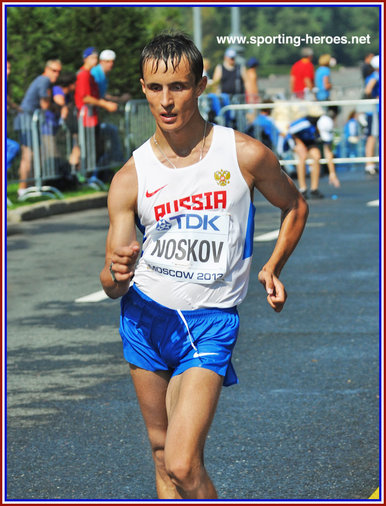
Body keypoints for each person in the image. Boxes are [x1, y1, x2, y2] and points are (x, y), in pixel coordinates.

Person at [99, 32, 308, 500]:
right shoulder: (129, 178)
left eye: (178, 86)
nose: (167, 100)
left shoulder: (243, 154)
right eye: (155, 88)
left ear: (200, 85)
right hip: (144, 317)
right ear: (143, 88)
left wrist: (274, 265)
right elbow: (110, 282)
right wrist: (115, 272)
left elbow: (294, 206)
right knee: (159, 453)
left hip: (209, 320)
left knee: (181, 462)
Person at [14, 59, 62, 198]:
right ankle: (22, 189)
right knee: (28, 155)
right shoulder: (44, 80)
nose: (56, 74)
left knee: (35, 154)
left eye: (59, 71)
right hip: (26, 122)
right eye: (54, 70)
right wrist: (56, 107)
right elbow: (45, 104)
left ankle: (30, 186)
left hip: (28, 121)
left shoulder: (42, 80)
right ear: (46, 69)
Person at [74, 47, 118, 171]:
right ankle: (83, 176)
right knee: (87, 148)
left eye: (95, 57)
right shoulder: (83, 74)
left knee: (95, 147)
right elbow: (85, 98)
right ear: (85, 59)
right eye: (92, 57)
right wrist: (105, 104)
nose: (95, 60)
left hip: (91, 117)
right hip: (85, 118)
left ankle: (90, 175)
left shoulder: (89, 74)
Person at [287, 110, 325, 199]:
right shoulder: (304, 122)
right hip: (297, 139)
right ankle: (302, 188)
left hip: (309, 141)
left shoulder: (318, 124)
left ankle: (314, 189)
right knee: (302, 156)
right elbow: (290, 131)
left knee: (317, 156)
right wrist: (298, 143)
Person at [363, 54, 379, 175]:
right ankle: (369, 164)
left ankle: (371, 162)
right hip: (375, 110)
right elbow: (368, 90)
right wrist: (375, 97)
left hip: (375, 110)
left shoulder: (373, 75)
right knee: (372, 136)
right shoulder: (375, 76)